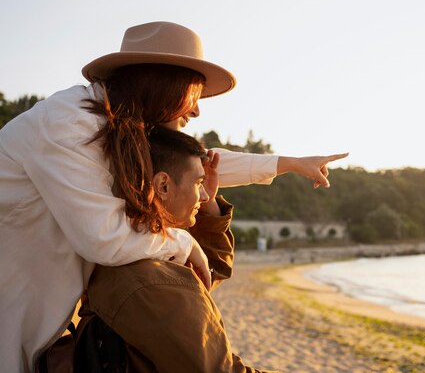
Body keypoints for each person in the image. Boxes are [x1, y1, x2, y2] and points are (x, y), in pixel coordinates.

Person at [0, 21, 346, 373]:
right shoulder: (69, 123)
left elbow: (196, 165)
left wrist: (289, 163)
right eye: (194, 94)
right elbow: (102, 237)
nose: (196, 111)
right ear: (164, 84)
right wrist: (184, 243)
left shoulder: (117, 124)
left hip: (36, 313)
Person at [84, 126, 278, 373]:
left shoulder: (130, 252)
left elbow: (207, 272)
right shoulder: (154, 283)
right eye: (199, 183)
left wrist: (208, 209)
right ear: (163, 185)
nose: (205, 195)